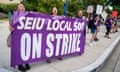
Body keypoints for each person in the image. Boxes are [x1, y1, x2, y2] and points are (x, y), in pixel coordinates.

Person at [8, 3, 31, 72]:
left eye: (23, 6)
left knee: (25, 50)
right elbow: (10, 25)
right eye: (20, 6)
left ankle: (26, 62)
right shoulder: (14, 15)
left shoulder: (27, 15)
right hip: (17, 36)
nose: (22, 7)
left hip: (25, 36)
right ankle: (19, 65)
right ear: (17, 8)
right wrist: (10, 27)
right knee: (18, 50)